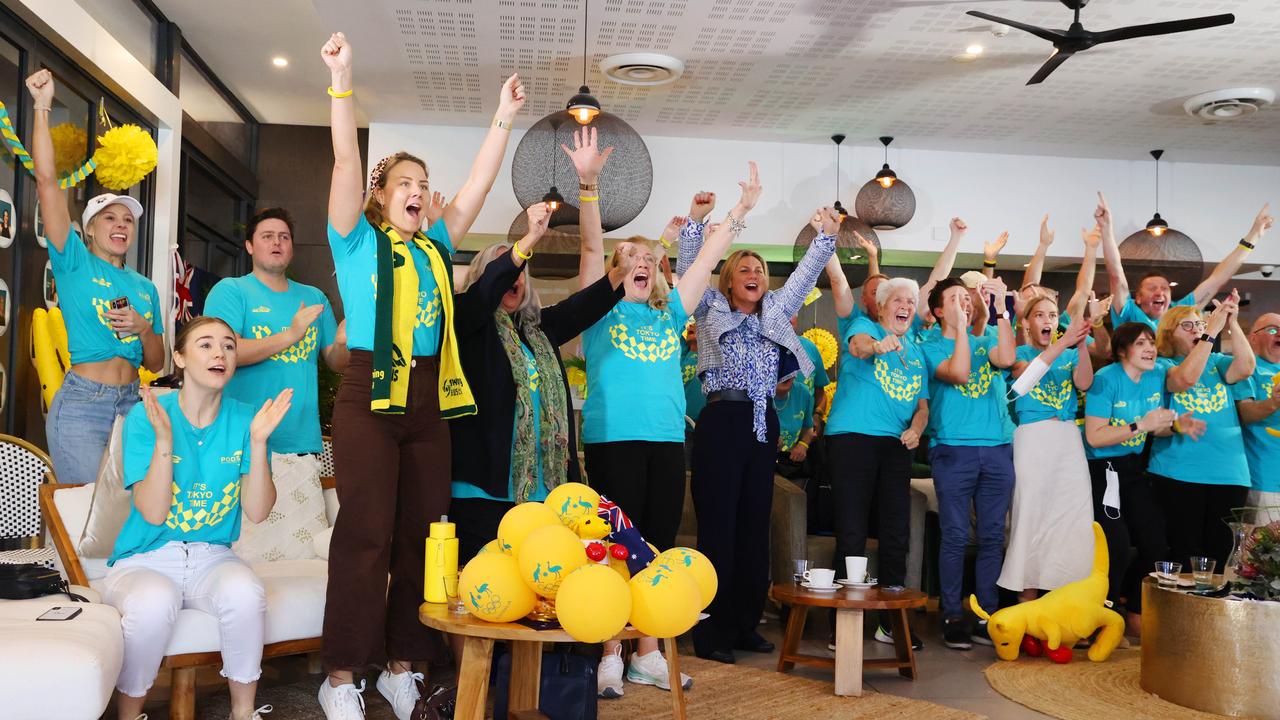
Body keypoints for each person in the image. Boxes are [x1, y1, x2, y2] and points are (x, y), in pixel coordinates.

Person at [318, 32, 524, 719]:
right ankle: (343, 672)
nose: (416, 191)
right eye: (402, 183)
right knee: (366, 533)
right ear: (379, 197)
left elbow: (478, 185)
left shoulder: (435, 245)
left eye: (420, 183)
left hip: (430, 397)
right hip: (370, 393)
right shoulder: (355, 237)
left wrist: (504, 115)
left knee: (425, 532)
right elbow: (347, 156)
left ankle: (403, 665)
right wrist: (343, 79)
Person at [571, 147, 763, 695]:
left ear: (657, 273)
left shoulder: (669, 312)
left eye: (649, 259)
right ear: (616, 270)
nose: (640, 262)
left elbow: (707, 261)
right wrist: (590, 187)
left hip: (663, 443)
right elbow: (590, 246)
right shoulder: (600, 311)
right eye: (629, 257)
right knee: (611, 550)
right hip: (613, 442)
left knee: (652, 546)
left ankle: (647, 651)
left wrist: (739, 212)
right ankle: (611, 650)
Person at [102, 316, 291, 720]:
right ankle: (129, 715)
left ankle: (243, 713)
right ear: (180, 357)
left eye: (228, 345)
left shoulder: (246, 419)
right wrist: (165, 440)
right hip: (145, 557)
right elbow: (152, 511)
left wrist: (258, 443)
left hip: (212, 556)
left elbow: (257, 512)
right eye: (205, 345)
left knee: (246, 593)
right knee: (154, 600)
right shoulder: (148, 416)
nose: (219, 353)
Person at [684, 200, 839, 665]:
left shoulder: (775, 312)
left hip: (761, 422)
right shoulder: (709, 307)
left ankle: (746, 624)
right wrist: (695, 223)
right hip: (721, 422)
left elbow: (804, 277)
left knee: (754, 528)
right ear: (729, 277)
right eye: (744, 268)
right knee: (719, 529)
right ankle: (711, 632)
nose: (754, 273)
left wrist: (824, 236)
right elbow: (695, 267)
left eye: (759, 269)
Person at [27, 69, 165, 485]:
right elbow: (48, 182)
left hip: (133, 403)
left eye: (128, 219)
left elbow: (157, 364)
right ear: (87, 229)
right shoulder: (75, 262)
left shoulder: (145, 288)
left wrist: (144, 328)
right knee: (82, 511)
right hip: (84, 403)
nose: (121, 224)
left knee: (125, 512)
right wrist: (41, 106)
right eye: (109, 217)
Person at [204, 208, 349, 546]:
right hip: (242, 445)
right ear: (250, 246)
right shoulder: (231, 292)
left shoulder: (313, 298)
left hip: (301, 445)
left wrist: (343, 342)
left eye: (284, 237)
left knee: (302, 552)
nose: (277, 242)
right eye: (267, 236)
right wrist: (290, 334)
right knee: (244, 553)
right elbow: (222, 355)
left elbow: (336, 362)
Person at [825, 275, 929, 649]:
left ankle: (891, 623)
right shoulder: (864, 326)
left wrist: (917, 430)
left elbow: (922, 407)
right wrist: (877, 347)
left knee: (896, 532)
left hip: (896, 446)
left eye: (911, 303)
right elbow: (858, 348)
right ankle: (845, 624)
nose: (905, 306)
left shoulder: (916, 351)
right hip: (853, 438)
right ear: (882, 306)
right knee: (852, 530)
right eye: (897, 300)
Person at [998, 226, 1099, 602]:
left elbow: (1084, 384)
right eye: (1040, 315)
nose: (1048, 320)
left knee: (1071, 518)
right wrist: (1063, 344)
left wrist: (1083, 344)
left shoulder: (1070, 350)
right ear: (1027, 323)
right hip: (1033, 437)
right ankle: (1026, 601)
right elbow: (1021, 382)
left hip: (1067, 439)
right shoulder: (1019, 353)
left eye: (1053, 315)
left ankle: (1065, 601)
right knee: (1032, 515)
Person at [919, 276, 1016, 650]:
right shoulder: (928, 345)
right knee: (956, 535)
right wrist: (960, 329)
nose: (965, 303)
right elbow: (958, 373)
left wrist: (1002, 312)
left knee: (994, 535)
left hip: (997, 449)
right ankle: (951, 614)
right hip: (953, 449)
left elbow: (1006, 359)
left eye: (968, 298)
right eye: (955, 299)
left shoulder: (987, 338)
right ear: (940, 310)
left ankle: (985, 614)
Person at [1083, 322, 1196, 635]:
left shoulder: (1157, 373)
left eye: (1151, 342)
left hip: (1134, 468)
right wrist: (1139, 425)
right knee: (1116, 547)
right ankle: (1101, 619)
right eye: (1141, 343)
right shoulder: (1105, 380)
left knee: (1156, 543)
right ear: (1122, 351)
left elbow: (1153, 426)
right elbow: (1094, 436)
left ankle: (1133, 610)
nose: (1150, 349)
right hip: (1103, 470)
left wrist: (1174, 427)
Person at [1149, 293, 1255, 568]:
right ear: (1169, 334)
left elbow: (1245, 367)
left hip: (1229, 473)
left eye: (1199, 323)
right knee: (1183, 552)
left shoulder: (1217, 361)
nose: (1196, 329)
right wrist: (1209, 333)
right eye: (1187, 325)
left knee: (1222, 556)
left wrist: (1232, 323)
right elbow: (1184, 379)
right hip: (1179, 472)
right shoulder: (1161, 365)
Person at [1100, 193, 1272, 331]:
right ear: (1138, 297)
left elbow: (1218, 278)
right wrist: (1106, 230)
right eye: (1152, 288)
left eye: (1165, 288)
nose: (1160, 292)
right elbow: (1116, 275)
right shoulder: (1129, 311)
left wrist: (1253, 236)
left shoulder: (1180, 310)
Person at [1238, 313, 1280, 523]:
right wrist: (1274, 402)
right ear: (1253, 338)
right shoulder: (1247, 370)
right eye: (1272, 330)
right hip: (1265, 480)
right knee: (1263, 551)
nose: (1279, 334)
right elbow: (1244, 414)